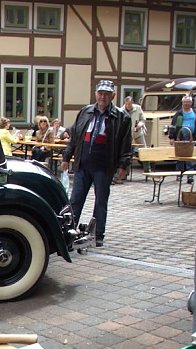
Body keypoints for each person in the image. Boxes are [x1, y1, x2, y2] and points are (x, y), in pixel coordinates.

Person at [61, 80, 131, 248]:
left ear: (113, 96)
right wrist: (66, 157)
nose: (103, 96)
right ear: (95, 94)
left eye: (107, 94)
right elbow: (75, 137)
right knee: (75, 200)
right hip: (83, 164)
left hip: (104, 165)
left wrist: (123, 165)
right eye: (100, 93)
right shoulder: (85, 112)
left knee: (100, 201)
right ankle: (69, 231)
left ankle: (98, 234)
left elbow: (125, 144)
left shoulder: (122, 117)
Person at [167, 95, 196, 184]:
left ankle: (190, 176)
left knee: (190, 156)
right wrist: (171, 137)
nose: (186, 104)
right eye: (185, 102)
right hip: (180, 136)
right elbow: (173, 125)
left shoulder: (195, 112)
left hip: (191, 137)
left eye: (188, 102)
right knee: (180, 157)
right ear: (182, 103)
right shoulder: (179, 113)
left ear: (191, 103)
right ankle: (179, 174)